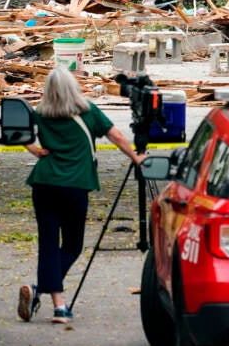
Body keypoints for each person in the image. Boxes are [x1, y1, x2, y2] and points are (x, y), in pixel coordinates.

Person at [17, 67, 147, 324]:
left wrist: (34, 151)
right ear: (73, 87)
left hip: (44, 183)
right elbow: (116, 136)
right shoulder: (88, 111)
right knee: (73, 245)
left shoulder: (40, 113)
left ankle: (40, 292)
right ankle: (58, 306)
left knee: (48, 243)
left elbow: (16, 132)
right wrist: (136, 158)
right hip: (75, 185)